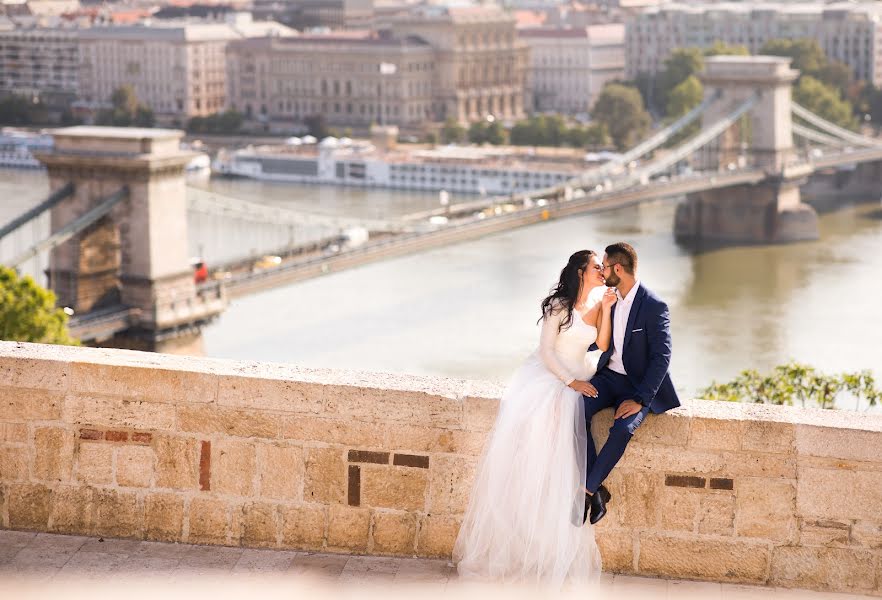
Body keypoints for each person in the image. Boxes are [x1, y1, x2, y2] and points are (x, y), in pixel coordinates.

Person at [454, 249, 616, 588]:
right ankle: (586, 493)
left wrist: (608, 309)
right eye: (596, 266)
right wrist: (570, 382)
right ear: (581, 272)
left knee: (576, 424)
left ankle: (589, 490)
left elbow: (601, 343)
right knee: (553, 422)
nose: (602, 270)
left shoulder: (602, 299)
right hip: (552, 373)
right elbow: (545, 352)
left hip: (583, 372)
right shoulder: (557, 306)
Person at [580, 242, 681, 525]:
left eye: (605, 266)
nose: (602, 271)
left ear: (618, 269)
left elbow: (662, 357)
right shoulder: (609, 299)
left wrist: (640, 399)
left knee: (623, 429)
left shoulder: (653, 305)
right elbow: (594, 341)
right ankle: (598, 491)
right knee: (576, 410)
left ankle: (587, 490)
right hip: (608, 379)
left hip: (638, 386)